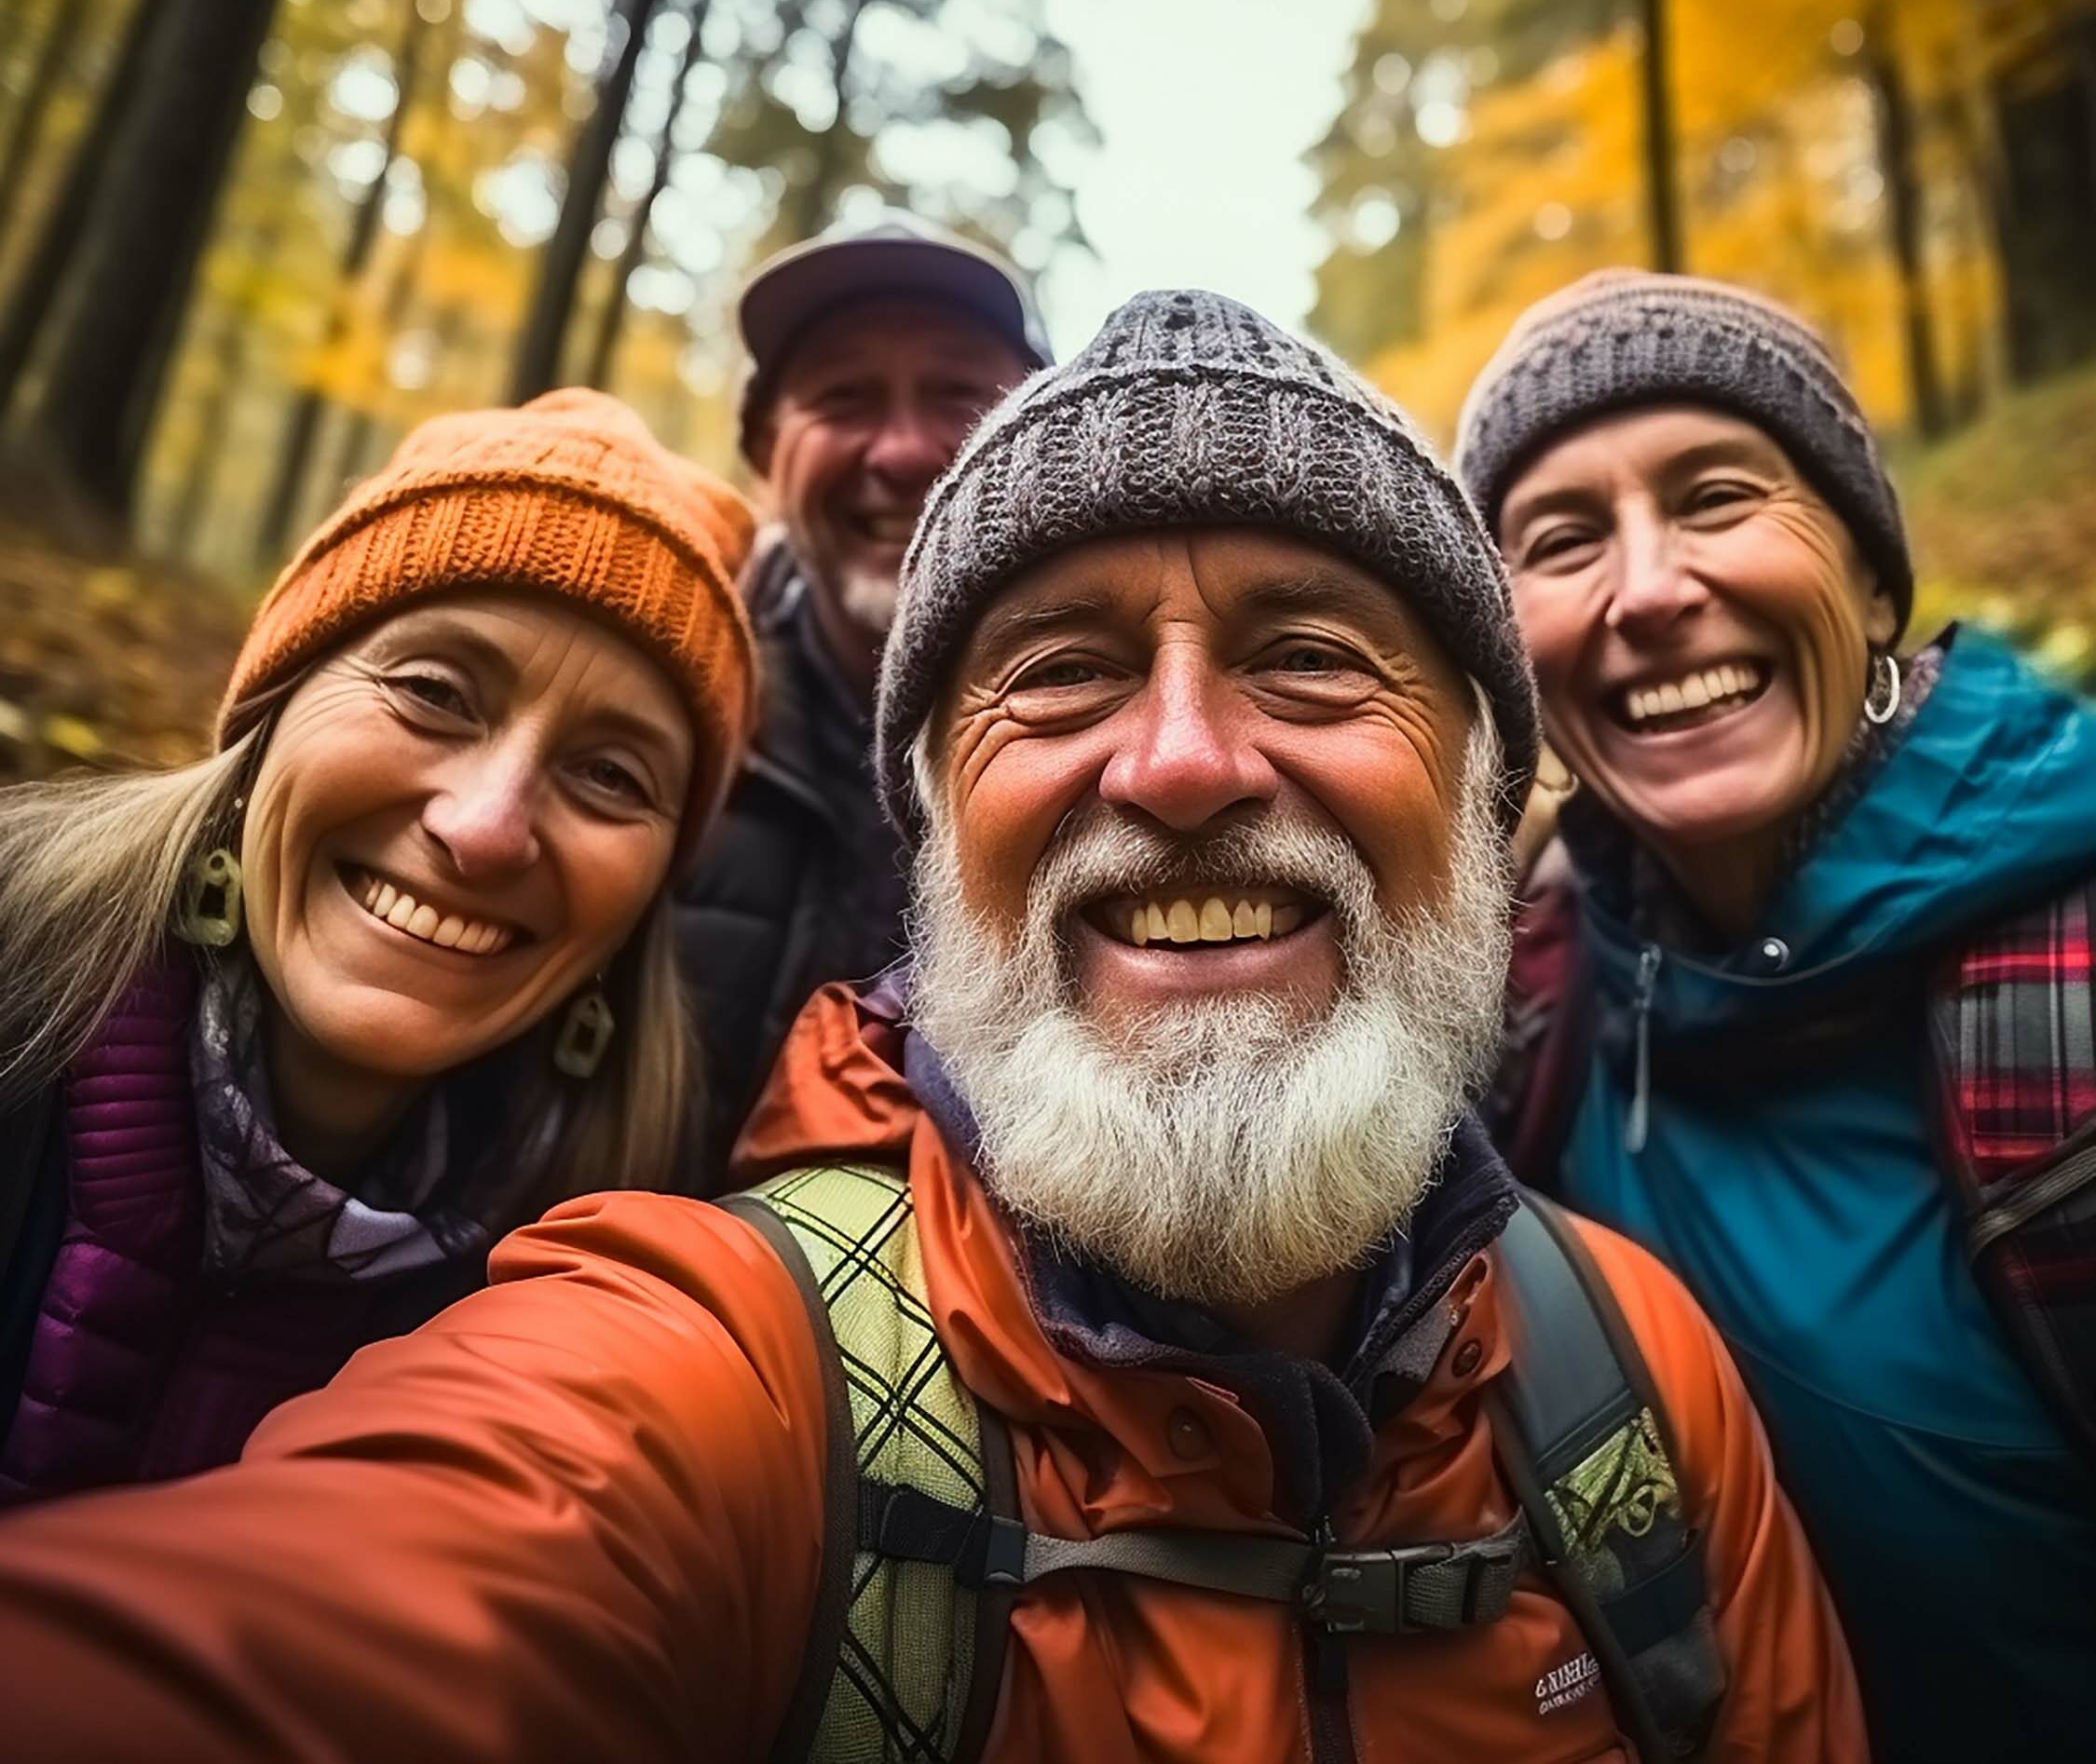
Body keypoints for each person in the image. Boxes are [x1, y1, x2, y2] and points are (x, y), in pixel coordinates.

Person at [0, 291, 1859, 1762]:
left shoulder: (1639, 1380)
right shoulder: (718, 1373)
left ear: (1480, 794)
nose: (1188, 761)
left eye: (1311, 655)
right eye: (1058, 673)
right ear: (934, 840)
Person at [1457, 268, 2096, 1763]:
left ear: (1872, 580)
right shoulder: (1528, 994)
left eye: (1717, 496)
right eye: (1561, 539)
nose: (1649, 588)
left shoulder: (2063, 986)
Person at [0, 388, 755, 1502]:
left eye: (610, 774)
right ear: (271, 714)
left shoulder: (606, 1299)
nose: (485, 827)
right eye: (433, 693)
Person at [676, 209, 1043, 1174]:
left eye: (960, 396)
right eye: (844, 399)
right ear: (764, 449)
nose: (904, 452)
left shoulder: (1144, 745)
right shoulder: (661, 720)